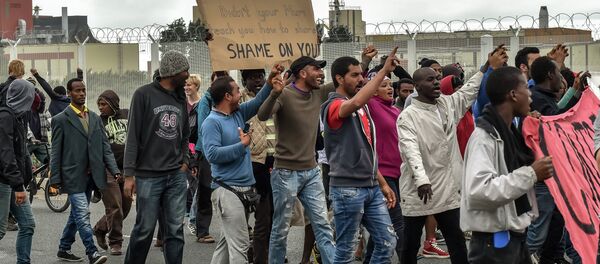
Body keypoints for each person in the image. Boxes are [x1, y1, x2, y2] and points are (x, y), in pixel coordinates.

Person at [397, 45, 507, 264]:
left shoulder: (447, 104)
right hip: (419, 191)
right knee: (410, 246)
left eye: (437, 78)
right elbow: (410, 149)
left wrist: (486, 67)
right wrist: (421, 180)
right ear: (417, 86)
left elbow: (469, 90)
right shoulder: (408, 116)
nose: (436, 82)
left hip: (446, 189)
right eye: (430, 79)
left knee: (457, 242)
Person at [461, 66, 555, 263]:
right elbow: (479, 191)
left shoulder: (510, 133)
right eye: (525, 87)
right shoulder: (484, 137)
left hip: (513, 239)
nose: (530, 93)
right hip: (494, 245)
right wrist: (531, 174)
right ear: (513, 94)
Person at [321, 48, 400, 263]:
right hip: (347, 189)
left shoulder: (361, 109)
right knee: (346, 250)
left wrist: (381, 182)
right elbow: (354, 102)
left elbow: (367, 150)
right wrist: (383, 71)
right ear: (339, 78)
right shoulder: (333, 106)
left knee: (387, 242)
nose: (361, 79)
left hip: (371, 186)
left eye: (361, 74)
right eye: (354, 75)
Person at [257, 56, 336, 264]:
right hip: (285, 173)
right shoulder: (285, 94)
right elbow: (263, 115)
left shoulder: (318, 93)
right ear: (302, 73)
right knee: (280, 229)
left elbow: (344, 78)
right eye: (316, 69)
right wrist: (274, 93)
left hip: (311, 172)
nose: (321, 74)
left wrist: (365, 62)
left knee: (323, 226)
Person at [202, 66, 282, 264]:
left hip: (244, 189)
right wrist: (242, 145)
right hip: (228, 190)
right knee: (240, 246)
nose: (241, 93)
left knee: (225, 245)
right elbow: (212, 154)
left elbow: (257, 102)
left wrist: (271, 80)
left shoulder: (237, 113)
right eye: (237, 90)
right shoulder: (212, 122)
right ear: (228, 96)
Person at [123, 50, 191, 264]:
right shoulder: (143, 94)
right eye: (185, 70)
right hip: (148, 176)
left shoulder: (180, 98)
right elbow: (132, 135)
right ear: (172, 72)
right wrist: (129, 175)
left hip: (176, 175)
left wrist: (185, 162)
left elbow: (185, 134)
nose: (188, 75)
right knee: (144, 229)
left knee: (174, 232)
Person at [49, 78, 120, 264]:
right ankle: (92, 252)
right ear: (69, 93)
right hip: (72, 176)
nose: (81, 93)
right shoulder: (60, 120)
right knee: (82, 213)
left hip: (92, 177)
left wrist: (115, 170)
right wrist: (54, 178)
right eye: (77, 90)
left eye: (83, 90)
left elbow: (105, 148)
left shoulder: (95, 118)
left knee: (76, 215)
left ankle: (64, 248)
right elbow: (55, 152)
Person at [527, 56, 581, 264]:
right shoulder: (538, 98)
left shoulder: (545, 97)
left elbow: (557, 111)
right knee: (538, 231)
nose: (561, 77)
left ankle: (552, 258)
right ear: (550, 75)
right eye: (558, 72)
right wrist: (574, 92)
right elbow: (558, 122)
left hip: (554, 174)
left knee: (556, 224)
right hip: (544, 176)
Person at [238, 68, 277, 264]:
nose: (258, 81)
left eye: (260, 76)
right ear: (244, 80)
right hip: (253, 164)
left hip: (275, 162)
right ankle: (259, 256)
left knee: (272, 215)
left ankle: (267, 253)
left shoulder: (275, 95)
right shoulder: (241, 101)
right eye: (252, 78)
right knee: (257, 216)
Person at [0, 79, 37, 264]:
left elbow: (20, 151)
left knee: (28, 225)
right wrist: (18, 185)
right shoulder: (5, 116)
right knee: (0, 230)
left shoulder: (18, 116)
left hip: (14, 181)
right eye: (31, 95)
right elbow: (6, 154)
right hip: (4, 181)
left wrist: (25, 176)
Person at [92, 90, 132, 256]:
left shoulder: (127, 114)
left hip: (127, 168)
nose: (101, 108)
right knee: (114, 205)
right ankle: (115, 242)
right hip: (107, 168)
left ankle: (100, 228)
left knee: (126, 206)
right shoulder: (98, 121)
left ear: (113, 103)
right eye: (99, 105)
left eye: (104, 104)